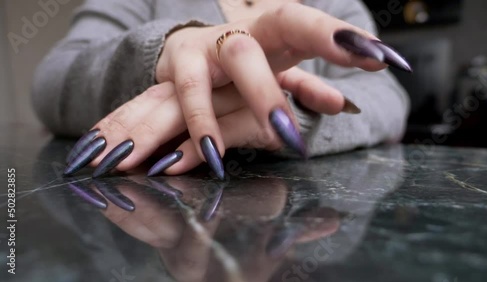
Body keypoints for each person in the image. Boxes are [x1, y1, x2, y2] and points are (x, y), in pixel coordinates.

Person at [32, 0, 411, 179]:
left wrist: (294, 112)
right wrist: (167, 49)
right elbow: (53, 79)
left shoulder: (333, 3)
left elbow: (389, 96)